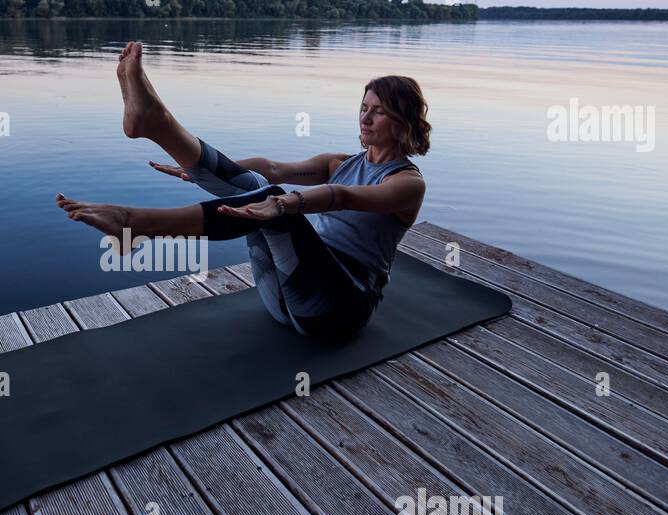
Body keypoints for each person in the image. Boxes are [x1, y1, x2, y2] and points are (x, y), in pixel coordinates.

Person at [56, 41, 429, 341]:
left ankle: (135, 222)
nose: (364, 118)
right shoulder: (340, 161)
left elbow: (342, 196)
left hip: (335, 312)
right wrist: (198, 172)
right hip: (282, 296)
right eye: (363, 107)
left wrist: (286, 204)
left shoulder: (407, 184)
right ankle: (159, 126)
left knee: (272, 200)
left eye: (377, 111)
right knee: (260, 186)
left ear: (402, 122)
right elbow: (271, 168)